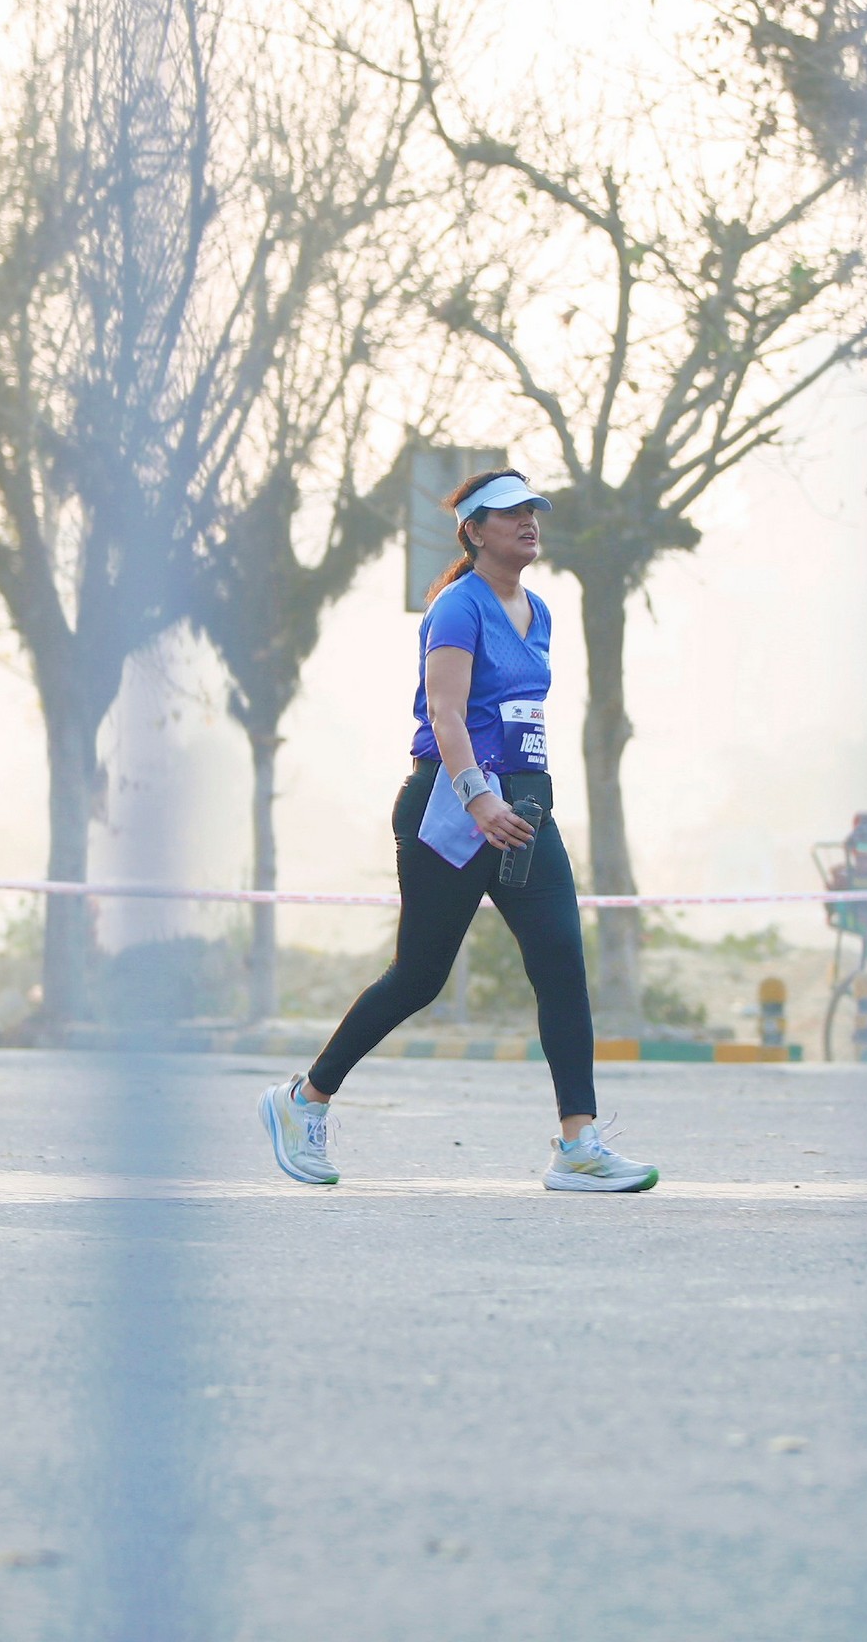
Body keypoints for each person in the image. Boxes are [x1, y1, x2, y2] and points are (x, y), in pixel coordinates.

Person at [258, 469, 657, 1193]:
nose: (529, 522)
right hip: (454, 805)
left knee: (562, 965)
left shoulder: (539, 609)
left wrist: (519, 802)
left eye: (533, 510)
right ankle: (303, 1100)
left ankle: (578, 1144)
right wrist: (478, 800)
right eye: (510, 514)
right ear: (474, 531)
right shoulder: (456, 606)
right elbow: (446, 713)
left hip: (525, 811)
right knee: (419, 977)